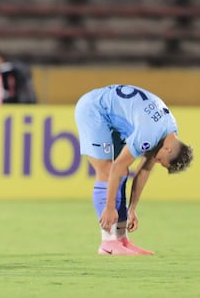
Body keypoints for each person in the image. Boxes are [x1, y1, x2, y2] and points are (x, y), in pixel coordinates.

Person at [74, 84, 193, 255]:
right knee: (108, 171)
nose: (157, 162)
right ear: (168, 150)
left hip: (113, 115)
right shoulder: (149, 134)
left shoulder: (169, 131)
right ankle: (107, 242)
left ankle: (121, 239)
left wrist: (132, 209)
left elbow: (144, 170)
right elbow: (117, 166)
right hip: (94, 111)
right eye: (161, 161)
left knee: (122, 171)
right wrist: (109, 207)